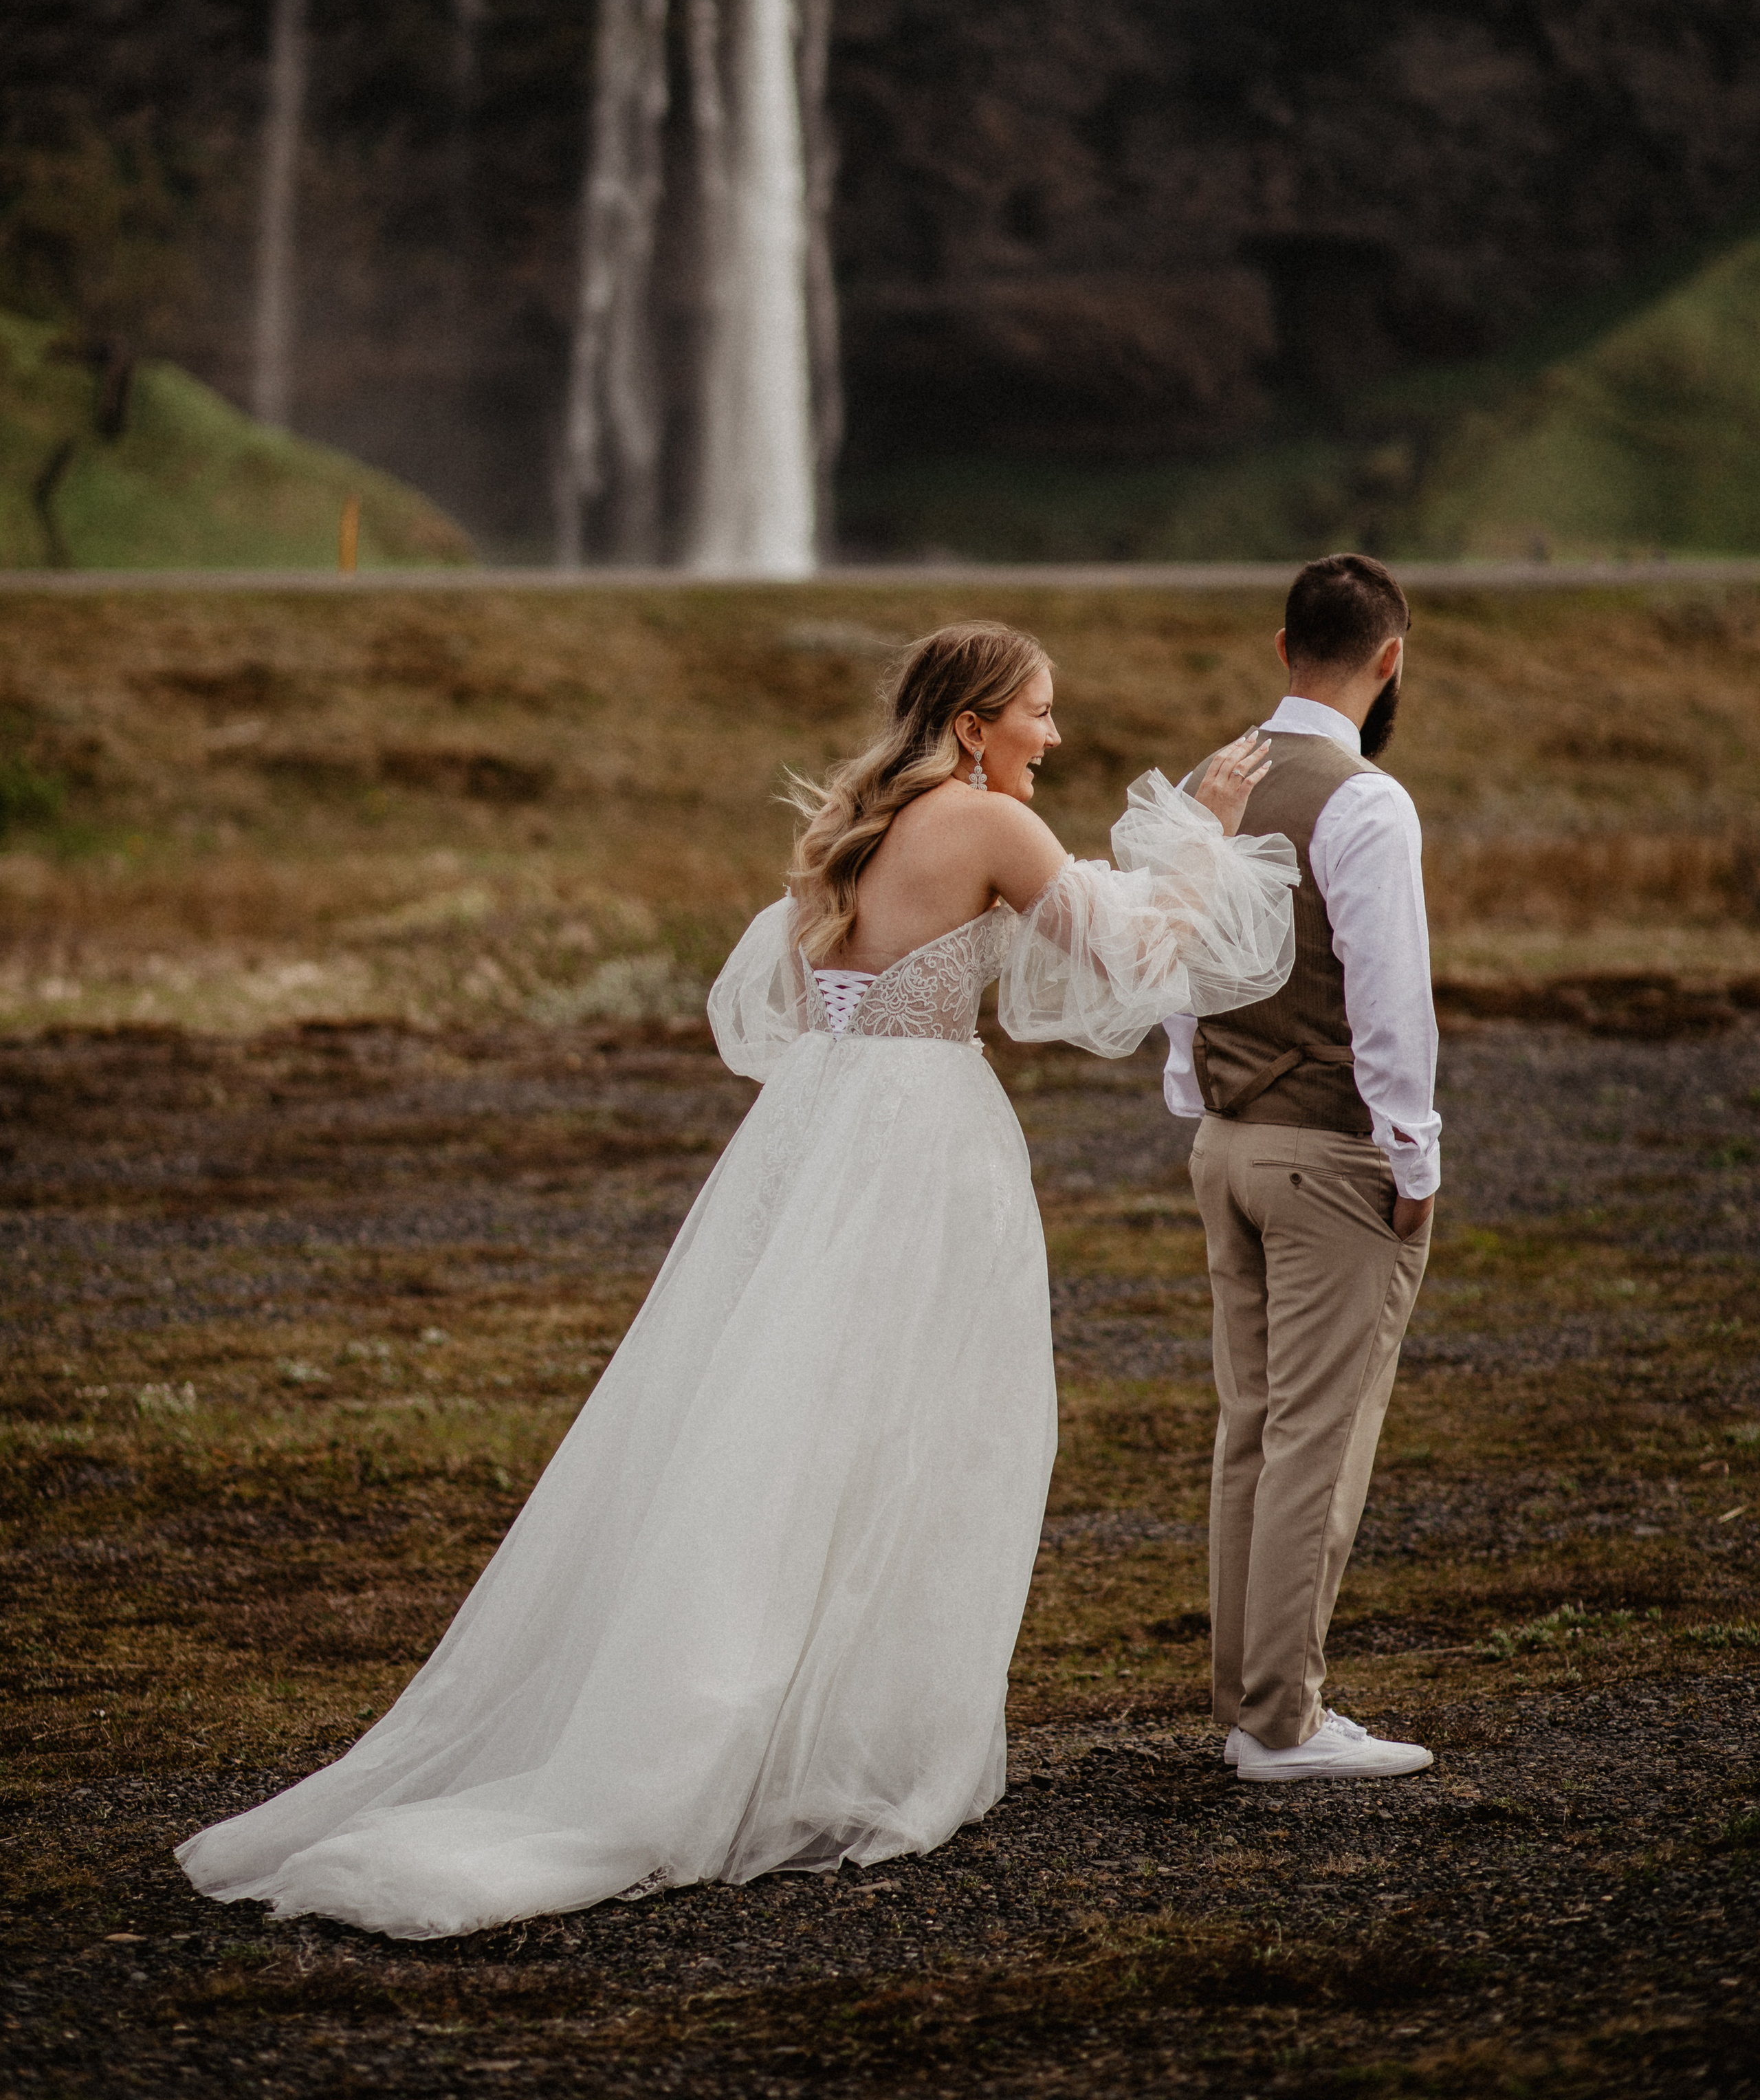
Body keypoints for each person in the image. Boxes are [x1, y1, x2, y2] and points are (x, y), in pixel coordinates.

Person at [175, 620, 1297, 1940]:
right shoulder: (986, 824)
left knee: (784, 1418)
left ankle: (783, 1716)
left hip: (822, 1133)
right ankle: (825, 1746)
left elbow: (786, 1002)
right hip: (921, 1147)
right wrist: (1209, 828)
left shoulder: (859, 824)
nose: (1056, 738)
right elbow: (1126, 963)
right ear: (976, 722)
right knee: (915, 1430)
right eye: (1041, 714)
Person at [1164, 554, 1440, 1785]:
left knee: (1252, 1431)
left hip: (1223, 1143)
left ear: (1285, 648)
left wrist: (1200, 1100)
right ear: (1390, 658)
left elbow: (1178, 971)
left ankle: (1252, 1700)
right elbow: (1391, 1003)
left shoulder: (1204, 785)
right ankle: (1280, 1724)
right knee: (1316, 1441)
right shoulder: (1366, 802)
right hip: (1329, 1155)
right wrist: (1413, 1151)